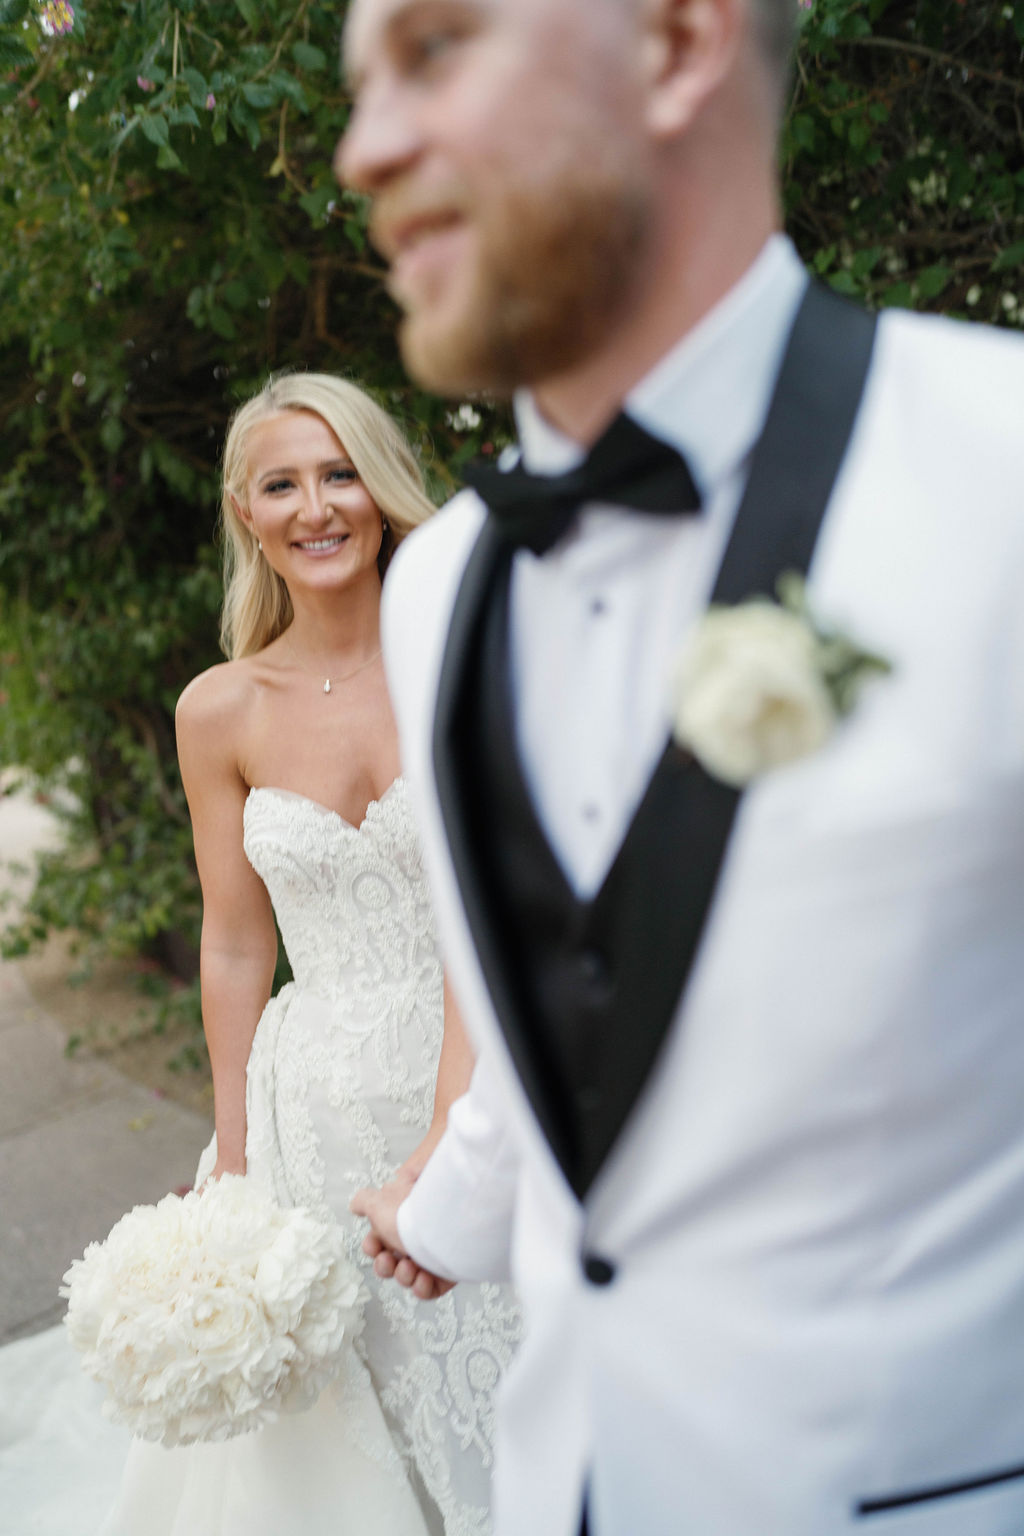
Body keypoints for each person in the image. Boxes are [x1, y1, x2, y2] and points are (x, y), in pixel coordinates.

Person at [335, 2, 1024, 1535]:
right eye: (359, 84)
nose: (363, 147)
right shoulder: (439, 584)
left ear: (676, 39)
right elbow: (569, 1016)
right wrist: (451, 1212)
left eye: (435, 49)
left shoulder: (1002, 473)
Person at [95, 372, 520, 1536]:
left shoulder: (471, 652)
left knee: (513, 1389)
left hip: (485, 1067)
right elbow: (235, 943)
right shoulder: (219, 711)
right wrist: (234, 1158)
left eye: (339, 475)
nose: (316, 507)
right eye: (282, 484)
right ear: (246, 513)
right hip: (313, 1111)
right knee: (357, 1418)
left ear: (381, 495)